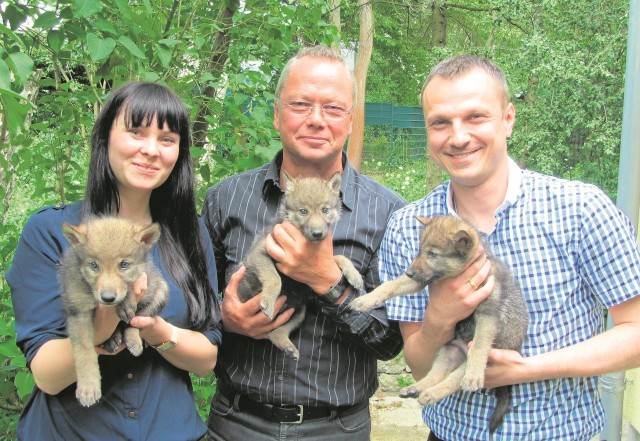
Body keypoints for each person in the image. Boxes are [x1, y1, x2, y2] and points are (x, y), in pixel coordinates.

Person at [382, 54, 640, 440]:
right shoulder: (408, 228)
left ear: (508, 119)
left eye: (475, 117)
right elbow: (420, 368)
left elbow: (635, 333)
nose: (457, 136)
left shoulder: (581, 208)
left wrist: (526, 369)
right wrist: (441, 314)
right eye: (440, 122)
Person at [201, 45, 405, 440]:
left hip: (336, 427)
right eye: (300, 104)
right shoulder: (225, 199)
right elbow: (190, 308)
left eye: (332, 108)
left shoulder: (388, 212)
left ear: (350, 121)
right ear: (277, 115)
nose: (316, 120)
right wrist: (224, 320)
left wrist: (329, 282)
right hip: (236, 422)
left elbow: (389, 341)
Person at [6, 82, 222, 441]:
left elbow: (206, 359)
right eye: (136, 132)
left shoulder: (191, 235)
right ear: (106, 137)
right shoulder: (52, 232)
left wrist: (155, 330)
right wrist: (108, 315)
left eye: (167, 139)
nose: (151, 150)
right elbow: (46, 374)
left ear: (180, 153)